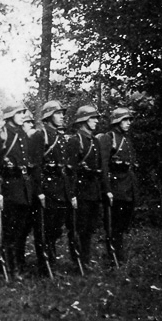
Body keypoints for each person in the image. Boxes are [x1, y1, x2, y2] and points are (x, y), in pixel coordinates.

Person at [0, 104, 34, 281]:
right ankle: (8, 267)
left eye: (23, 113)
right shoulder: (0, 135)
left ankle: (19, 265)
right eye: (19, 113)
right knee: (10, 230)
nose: (23, 115)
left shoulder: (21, 133)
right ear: (10, 116)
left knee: (21, 230)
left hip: (22, 187)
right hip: (8, 188)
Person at [31, 100, 73, 276]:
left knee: (56, 228)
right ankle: (44, 265)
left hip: (59, 186)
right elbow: (36, 166)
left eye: (62, 113)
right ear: (48, 117)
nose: (62, 116)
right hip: (47, 188)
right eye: (58, 113)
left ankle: (52, 260)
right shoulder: (41, 136)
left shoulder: (59, 136)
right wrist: (39, 191)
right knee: (44, 229)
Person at [68, 105, 106, 269]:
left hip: (93, 189)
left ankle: (85, 259)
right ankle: (78, 261)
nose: (96, 121)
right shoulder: (75, 141)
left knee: (90, 227)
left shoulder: (95, 140)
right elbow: (70, 170)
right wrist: (72, 194)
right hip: (80, 190)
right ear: (83, 120)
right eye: (92, 118)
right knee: (79, 227)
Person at [98, 107, 138, 263]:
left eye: (129, 120)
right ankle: (113, 256)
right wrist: (107, 189)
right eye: (125, 120)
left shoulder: (126, 139)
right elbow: (104, 166)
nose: (128, 123)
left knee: (122, 224)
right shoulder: (109, 138)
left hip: (128, 186)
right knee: (113, 225)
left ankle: (118, 254)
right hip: (115, 187)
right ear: (117, 121)